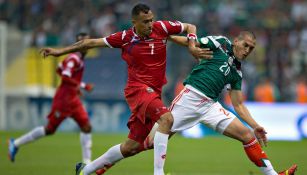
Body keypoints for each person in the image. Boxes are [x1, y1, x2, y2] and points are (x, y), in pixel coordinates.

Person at [40, 3, 212, 175]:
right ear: (134, 22)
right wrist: (59, 51)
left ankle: (86, 170)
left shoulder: (161, 28)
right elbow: (89, 43)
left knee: (130, 147)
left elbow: (190, 26)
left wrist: (191, 45)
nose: (150, 24)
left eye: (151, 20)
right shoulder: (125, 37)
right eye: (145, 22)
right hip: (138, 90)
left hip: (154, 91)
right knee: (167, 119)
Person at [153, 32, 297, 175]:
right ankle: (136, 154)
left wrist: (255, 126)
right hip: (191, 99)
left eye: (251, 48)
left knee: (247, 135)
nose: (247, 50)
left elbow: (239, 105)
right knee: (149, 143)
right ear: (235, 41)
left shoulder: (237, 71)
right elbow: (192, 41)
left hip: (210, 106)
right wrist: (166, 36)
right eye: (245, 45)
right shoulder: (221, 43)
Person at [8, 33, 94, 164]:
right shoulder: (74, 59)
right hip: (64, 100)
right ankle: (16, 143)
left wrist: (75, 88)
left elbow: (59, 70)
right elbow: (65, 76)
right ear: (79, 45)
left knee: (86, 127)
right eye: (85, 42)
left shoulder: (75, 59)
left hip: (73, 99)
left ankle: (87, 163)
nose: (88, 45)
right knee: (49, 129)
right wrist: (82, 85)